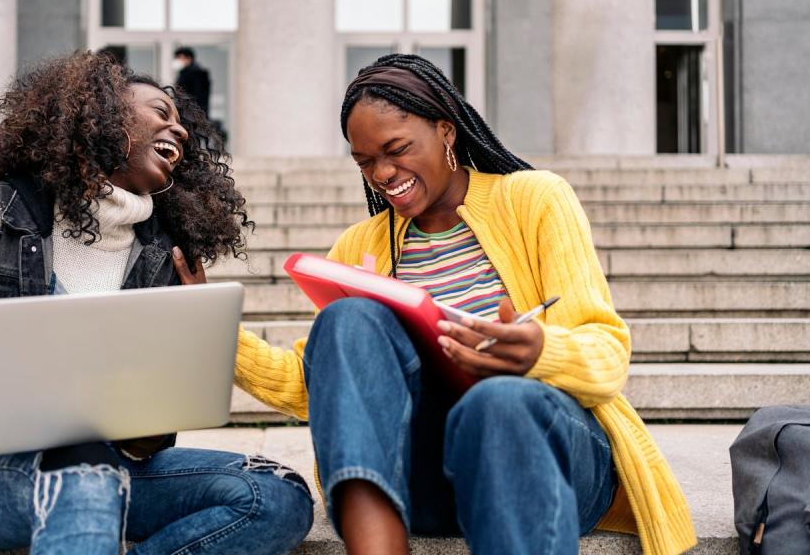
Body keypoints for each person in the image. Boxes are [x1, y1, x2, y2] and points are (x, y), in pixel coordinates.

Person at [231, 54, 696, 555]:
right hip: (423, 479)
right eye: (365, 162)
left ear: (446, 130)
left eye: (397, 149)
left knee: (498, 401)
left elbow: (607, 352)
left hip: (542, 453)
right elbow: (325, 388)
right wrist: (215, 332)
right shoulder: (359, 244)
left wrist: (539, 352)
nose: (383, 173)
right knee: (348, 318)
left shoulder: (534, 200)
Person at [0, 51, 313, 555]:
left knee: (273, 494)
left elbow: (150, 413)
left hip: (109, 465)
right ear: (99, 115)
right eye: (160, 113)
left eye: (181, 123)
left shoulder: (163, 256)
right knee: (83, 471)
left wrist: (150, 428)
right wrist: (7, 402)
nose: (181, 131)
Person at [173, 47, 211, 115]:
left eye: (180, 58)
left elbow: (198, 97)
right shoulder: (185, 72)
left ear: (189, 59)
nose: (178, 60)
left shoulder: (197, 73)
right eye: (177, 58)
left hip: (192, 114)